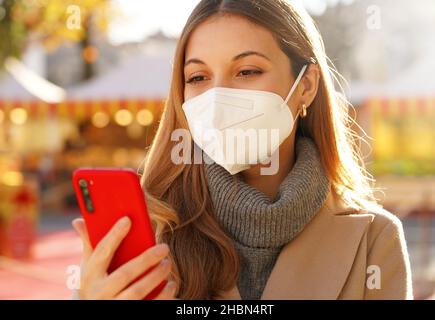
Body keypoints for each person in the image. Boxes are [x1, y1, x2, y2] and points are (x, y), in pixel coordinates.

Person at [72, 0, 413, 300]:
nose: (218, 98)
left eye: (247, 71)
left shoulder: (374, 240)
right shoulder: (148, 234)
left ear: (305, 86)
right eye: (198, 77)